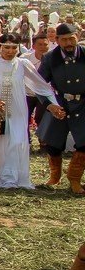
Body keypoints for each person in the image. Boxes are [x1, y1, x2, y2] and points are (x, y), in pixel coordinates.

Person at [0, 34, 59, 190]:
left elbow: (42, 86)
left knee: (17, 141)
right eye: (6, 47)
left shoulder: (23, 64)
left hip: (18, 110)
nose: (10, 51)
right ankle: (2, 174)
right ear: (0, 47)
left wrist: (54, 105)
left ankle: (13, 176)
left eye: (14, 48)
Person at [36, 23, 85, 194]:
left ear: (77, 36)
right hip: (60, 103)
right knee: (53, 143)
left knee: (84, 143)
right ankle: (55, 176)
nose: (68, 43)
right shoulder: (50, 58)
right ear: (56, 40)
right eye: (64, 40)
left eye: (71, 38)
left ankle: (74, 179)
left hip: (83, 103)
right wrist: (50, 105)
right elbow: (40, 85)